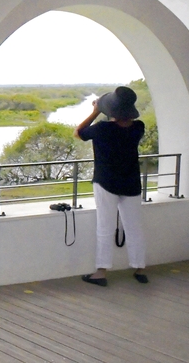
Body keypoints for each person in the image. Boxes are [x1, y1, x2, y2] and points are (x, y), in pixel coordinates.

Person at [74, 86, 148, 287]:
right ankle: (140, 268)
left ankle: (101, 272)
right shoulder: (138, 127)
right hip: (131, 182)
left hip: (106, 182)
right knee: (134, 228)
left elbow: (79, 133)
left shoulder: (102, 129)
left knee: (105, 227)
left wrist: (95, 111)